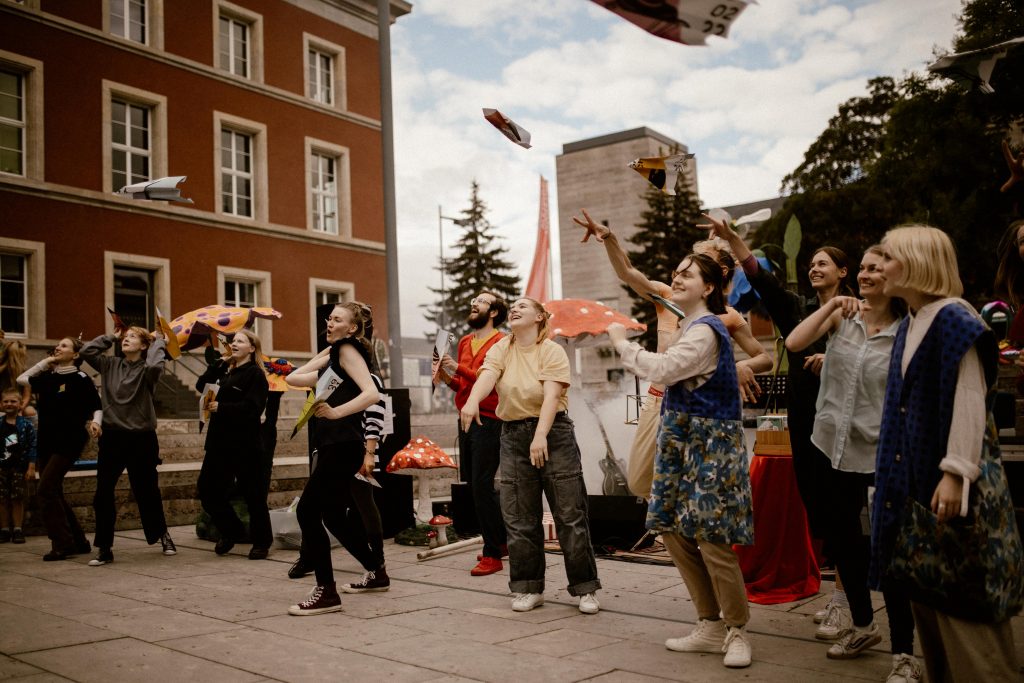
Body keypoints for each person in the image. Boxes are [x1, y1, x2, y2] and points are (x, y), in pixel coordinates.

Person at [871, 225, 1019, 681]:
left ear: (917, 263)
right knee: (930, 607)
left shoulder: (954, 318)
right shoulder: (911, 322)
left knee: (966, 614)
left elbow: (971, 397)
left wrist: (956, 472)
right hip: (918, 495)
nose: (879, 265)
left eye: (889, 257)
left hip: (957, 489)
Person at [705, 213, 854, 635]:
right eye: (812, 262)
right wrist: (733, 238)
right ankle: (844, 596)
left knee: (843, 510)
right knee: (820, 509)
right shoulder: (802, 310)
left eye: (824, 262)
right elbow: (762, 280)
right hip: (806, 419)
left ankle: (846, 600)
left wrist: (836, 360)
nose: (814, 267)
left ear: (843, 272)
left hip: (847, 422)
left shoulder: (860, 311)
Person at [608, 253, 754, 669]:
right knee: (671, 529)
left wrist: (621, 342)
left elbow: (666, 368)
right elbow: (634, 276)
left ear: (709, 287)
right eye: (676, 272)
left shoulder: (706, 330)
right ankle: (709, 624)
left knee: (712, 537)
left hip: (709, 444)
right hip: (680, 439)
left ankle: (737, 628)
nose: (677, 277)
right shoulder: (690, 325)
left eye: (687, 274)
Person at [571, 209, 772, 499]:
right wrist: (610, 239)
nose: (682, 274)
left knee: (693, 479)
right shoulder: (667, 297)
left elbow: (763, 357)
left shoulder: (727, 316)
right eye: (685, 268)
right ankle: (679, 520)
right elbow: (629, 273)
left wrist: (739, 366)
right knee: (641, 481)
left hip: (697, 406)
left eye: (698, 266)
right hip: (658, 398)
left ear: (718, 275)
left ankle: (685, 529)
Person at [786, 246, 919, 677]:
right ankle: (862, 625)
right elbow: (793, 342)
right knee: (844, 544)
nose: (864, 274)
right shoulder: (843, 317)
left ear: (897, 277)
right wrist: (829, 311)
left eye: (875, 269)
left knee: (890, 552)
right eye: (862, 267)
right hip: (830, 448)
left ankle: (905, 655)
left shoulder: (908, 331)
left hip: (880, 452)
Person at [460, 297, 601, 615]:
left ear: (540, 317)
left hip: (554, 434)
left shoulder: (551, 350)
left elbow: (552, 396)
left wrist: (540, 437)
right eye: (513, 305)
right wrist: (471, 401)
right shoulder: (502, 347)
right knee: (520, 517)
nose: (515, 308)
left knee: (570, 516)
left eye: (524, 306)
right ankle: (527, 587)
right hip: (511, 434)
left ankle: (585, 588)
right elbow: (487, 376)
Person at [285, 302, 380, 616]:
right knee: (334, 518)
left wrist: (337, 411)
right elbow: (294, 379)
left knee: (308, 512)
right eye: (329, 318)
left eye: (337, 319)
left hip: (342, 445)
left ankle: (326, 591)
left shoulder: (348, 351)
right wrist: (326, 352)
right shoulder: (335, 357)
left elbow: (372, 393)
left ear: (352, 328)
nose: (329, 321)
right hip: (335, 445)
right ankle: (376, 571)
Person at [80, 326, 176, 565]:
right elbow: (85, 351)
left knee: (147, 491)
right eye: (125, 336)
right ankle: (104, 547)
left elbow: (155, 366)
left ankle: (161, 534)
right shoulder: (109, 364)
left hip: (141, 438)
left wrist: (159, 342)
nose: (126, 339)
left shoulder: (147, 370)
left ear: (143, 345)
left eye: (132, 337)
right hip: (112, 437)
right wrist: (110, 336)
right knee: (102, 493)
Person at [440, 291, 509, 576]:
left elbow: (489, 379)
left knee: (481, 484)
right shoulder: (466, 341)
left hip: (490, 418)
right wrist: (444, 375)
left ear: (493, 312)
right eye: (474, 301)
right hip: (466, 417)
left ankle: (493, 553)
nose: (474, 304)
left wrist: (458, 368)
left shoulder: (503, 341)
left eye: (481, 301)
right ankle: (501, 542)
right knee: (475, 484)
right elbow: (463, 385)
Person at [17, 337, 102, 560]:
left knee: (45, 490)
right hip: (47, 439)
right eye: (58, 345)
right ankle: (79, 541)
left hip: (70, 440)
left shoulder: (81, 378)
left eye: (64, 346)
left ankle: (63, 544)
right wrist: (46, 362)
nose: (58, 347)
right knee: (54, 491)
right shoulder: (47, 378)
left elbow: (97, 406)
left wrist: (96, 422)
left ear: (75, 355)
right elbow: (22, 378)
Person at [196, 329, 272, 560]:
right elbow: (201, 385)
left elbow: (253, 408)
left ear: (252, 348)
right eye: (233, 341)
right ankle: (231, 531)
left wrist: (223, 408)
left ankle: (261, 542)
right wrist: (218, 363)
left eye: (240, 341)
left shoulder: (255, 374)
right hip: (218, 443)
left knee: (254, 496)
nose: (234, 343)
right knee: (207, 491)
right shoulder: (225, 372)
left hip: (245, 445)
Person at [0, 387, 36, 543]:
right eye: (6, 401)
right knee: (1, 499)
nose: (9, 404)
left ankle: (18, 529)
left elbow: (33, 446)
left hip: (18, 467)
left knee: (17, 498)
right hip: (1, 467)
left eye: (13, 401)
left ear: (20, 404)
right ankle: (4, 529)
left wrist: (31, 467)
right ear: (1, 404)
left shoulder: (26, 425)